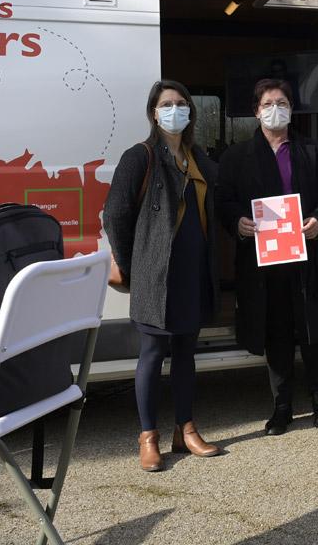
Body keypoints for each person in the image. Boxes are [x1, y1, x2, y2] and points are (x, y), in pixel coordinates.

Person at [104, 80, 222, 472]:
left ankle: (185, 429)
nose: (175, 110)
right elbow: (115, 215)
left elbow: (222, 198)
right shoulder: (139, 157)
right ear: (154, 113)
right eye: (167, 104)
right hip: (154, 273)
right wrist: (131, 265)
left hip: (192, 270)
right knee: (152, 354)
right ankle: (148, 436)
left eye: (181, 103)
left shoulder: (198, 157)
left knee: (187, 353)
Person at [216, 78, 318, 435]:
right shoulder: (236, 157)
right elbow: (223, 201)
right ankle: (282, 407)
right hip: (263, 262)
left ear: (291, 109)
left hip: (308, 255)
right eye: (268, 103)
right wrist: (236, 222)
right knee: (277, 333)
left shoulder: (314, 151)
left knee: (314, 331)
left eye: (282, 102)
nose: (275, 109)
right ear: (256, 111)